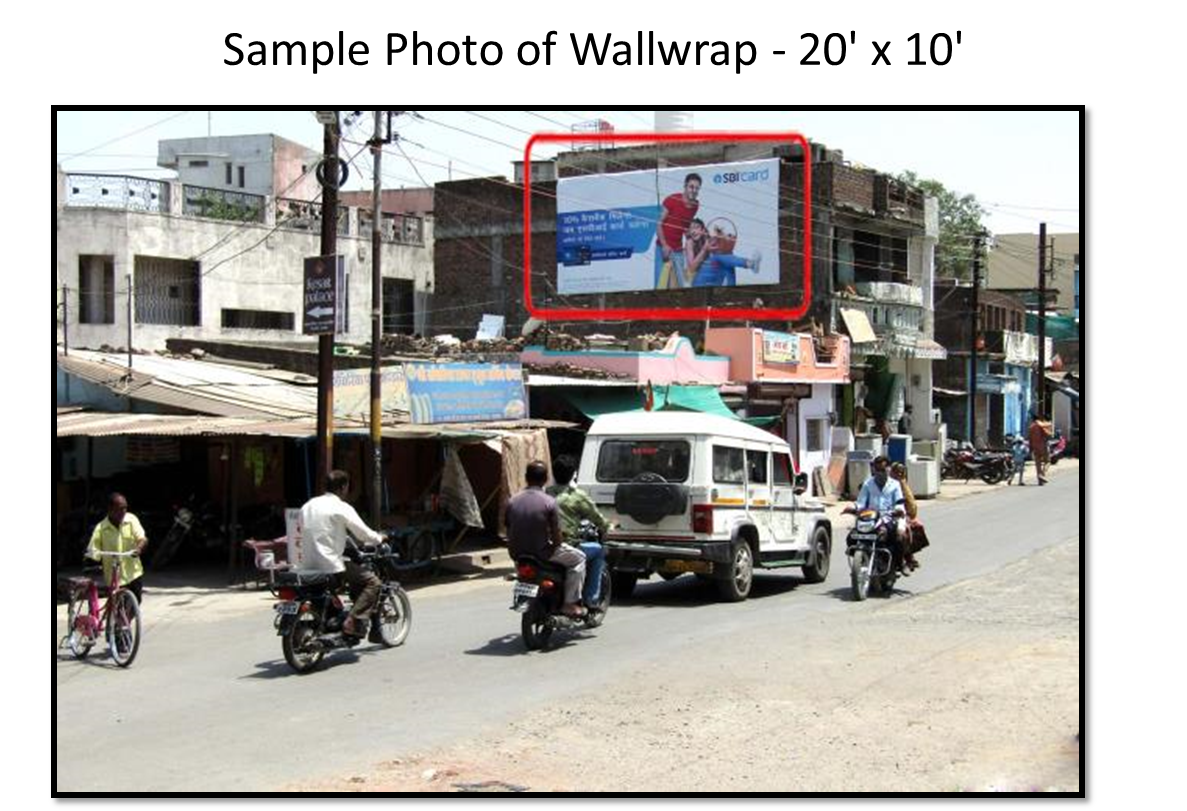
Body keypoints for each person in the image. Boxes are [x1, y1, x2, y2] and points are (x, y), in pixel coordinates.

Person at [299, 470, 385, 638]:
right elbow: (363, 534)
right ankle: (353, 619)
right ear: (344, 487)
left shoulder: (308, 505)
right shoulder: (341, 507)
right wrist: (379, 538)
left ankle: (334, 618)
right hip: (330, 564)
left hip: (306, 564)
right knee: (373, 582)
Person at [506, 460, 587, 618]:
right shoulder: (549, 502)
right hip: (542, 553)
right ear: (545, 479)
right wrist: (558, 543)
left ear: (526, 478)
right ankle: (569, 604)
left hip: (517, 554)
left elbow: (508, 528)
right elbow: (556, 535)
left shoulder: (512, 501)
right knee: (579, 559)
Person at [547, 455, 608, 608]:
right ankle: (590, 598)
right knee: (599, 551)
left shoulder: (545, 493)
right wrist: (608, 526)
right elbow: (597, 517)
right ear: (574, 473)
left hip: (541, 546)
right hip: (566, 546)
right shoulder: (577, 496)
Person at [86, 493, 148, 605]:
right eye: (120, 509)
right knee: (118, 606)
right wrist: (93, 560)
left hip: (133, 572)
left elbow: (142, 538)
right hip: (114, 576)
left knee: (136, 602)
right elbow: (93, 550)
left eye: (125, 507)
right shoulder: (101, 528)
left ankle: (125, 621)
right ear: (110, 509)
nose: (123, 511)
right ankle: (116, 621)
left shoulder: (131, 519)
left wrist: (138, 548)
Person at [854, 456, 908, 574]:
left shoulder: (895, 485)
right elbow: (860, 502)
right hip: (871, 518)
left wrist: (898, 510)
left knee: (899, 537)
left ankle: (900, 563)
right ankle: (860, 561)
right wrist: (855, 509)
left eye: (883, 470)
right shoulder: (867, 484)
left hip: (889, 518)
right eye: (877, 470)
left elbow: (899, 503)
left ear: (888, 469)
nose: (880, 473)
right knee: (852, 537)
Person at [683, 218, 762, 288]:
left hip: (714, 278)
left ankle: (732, 292)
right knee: (717, 257)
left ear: (703, 230)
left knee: (727, 259)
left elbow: (725, 249)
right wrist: (704, 249)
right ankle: (749, 264)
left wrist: (723, 236)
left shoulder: (709, 239)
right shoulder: (690, 243)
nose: (693, 231)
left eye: (696, 227)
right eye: (690, 229)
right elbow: (691, 268)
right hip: (699, 281)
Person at [655, 173, 702, 289]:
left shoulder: (695, 205)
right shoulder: (672, 200)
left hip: (678, 249)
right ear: (685, 186)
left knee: (683, 284)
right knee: (659, 285)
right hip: (663, 248)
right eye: (691, 187)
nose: (694, 190)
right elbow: (658, 223)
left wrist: (691, 237)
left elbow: (685, 227)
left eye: (697, 188)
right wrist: (665, 245)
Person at [890, 463, 926, 574]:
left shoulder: (901, 484)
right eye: (896, 472)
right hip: (880, 513)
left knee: (905, 532)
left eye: (901, 472)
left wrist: (907, 513)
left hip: (898, 514)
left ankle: (907, 558)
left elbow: (910, 503)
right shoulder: (879, 483)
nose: (898, 474)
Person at [1028, 413, 1054, 485]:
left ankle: (1040, 481)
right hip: (1043, 446)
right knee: (1048, 461)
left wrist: (1030, 449)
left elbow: (1029, 439)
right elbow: (1048, 434)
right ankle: (1042, 474)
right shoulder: (1042, 425)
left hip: (1034, 447)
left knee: (1038, 464)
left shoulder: (1031, 427)